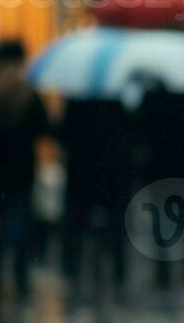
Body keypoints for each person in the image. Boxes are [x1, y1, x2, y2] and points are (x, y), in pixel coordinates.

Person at [0, 41, 50, 305]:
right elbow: (43, 126)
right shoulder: (26, 90)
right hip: (21, 165)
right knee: (20, 219)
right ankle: (20, 275)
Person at [137, 76, 184, 287]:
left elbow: (141, 136)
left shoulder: (151, 102)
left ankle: (164, 272)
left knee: (161, 222)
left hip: (159, 172)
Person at [58, 97, 136, 290]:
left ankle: (72, 269)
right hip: (112, 175)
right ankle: (118, 270)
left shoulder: (77, 102)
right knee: (115, 225)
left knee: (77, 224)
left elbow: (64, 135)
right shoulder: (118, 103)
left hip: (82, 173)